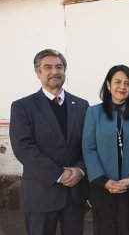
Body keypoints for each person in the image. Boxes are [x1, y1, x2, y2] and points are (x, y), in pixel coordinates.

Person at [9, 49, 90, 235]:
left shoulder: (82, 105)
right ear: (38, 72)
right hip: (41, 193)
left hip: (74, 194)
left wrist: (80, 169)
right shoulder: (22, 106)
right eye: (48, 67)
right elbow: (23, 147)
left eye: (59, 67)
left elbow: (89, 144)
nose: (55, 71)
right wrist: (58, 174)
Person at [82, 65, 129, 235]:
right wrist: (103, 180)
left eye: (127, 83)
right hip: (102, 184)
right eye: (117, 82)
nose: (122, 87)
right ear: (108, 85)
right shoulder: (93, 112)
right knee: (105, 228)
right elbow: (88, 148)